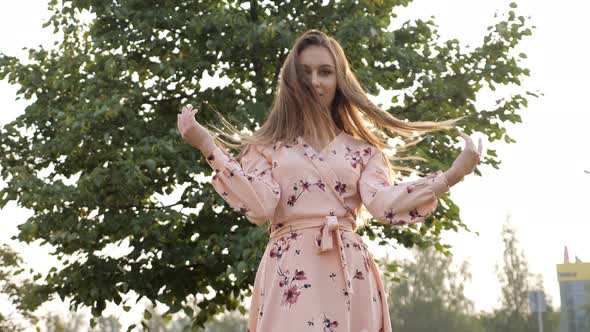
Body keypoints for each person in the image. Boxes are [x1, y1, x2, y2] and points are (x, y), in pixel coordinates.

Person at [177, 29, 482, 332]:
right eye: (305, 72)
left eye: (325, 72)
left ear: (338, 81)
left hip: (349, 270)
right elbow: (259, 207)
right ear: (292, 80)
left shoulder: (364, 151)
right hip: (291, 272)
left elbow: (384, 204)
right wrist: (208, 146)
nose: (314, 81)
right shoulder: (265, 146)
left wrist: (453, 174)